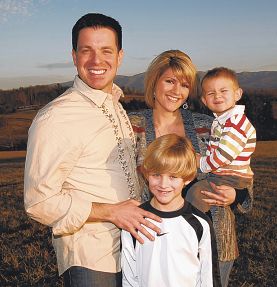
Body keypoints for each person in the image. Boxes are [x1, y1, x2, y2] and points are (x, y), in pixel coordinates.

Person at [23, 13, 161, 287]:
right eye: (86, 51)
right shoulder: (56, 117)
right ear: (74, 56)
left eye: (106, 51)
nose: (97, 61)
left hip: (132, 250)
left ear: (120, 56)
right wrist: (111, 212)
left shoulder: (115, 104)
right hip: (91, 258)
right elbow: (38, 202)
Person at [128, 50, 253, 287]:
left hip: (214, 240)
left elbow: (242, 169)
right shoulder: (132, 126)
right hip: (154, 243)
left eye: (184, 85)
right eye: (169, 81)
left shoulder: (208, 125)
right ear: (154, 82)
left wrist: (236, 195)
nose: (177, 91)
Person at [121, 134, 221, 287]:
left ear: (187, 178)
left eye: (173, 176)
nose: (163, 184)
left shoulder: (200, 224)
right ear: (147, 174)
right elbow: (128, 277)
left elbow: (208, 277)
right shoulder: (134, 221)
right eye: (156, 175)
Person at [185, 67, 256, 212]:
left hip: (231, 178)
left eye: (224, 91)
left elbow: (224, 155)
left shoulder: (235, 123)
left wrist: (202, 162)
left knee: (196, 196)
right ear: (204, 100)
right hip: (226, 175)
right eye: (211, 93)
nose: (217, 96)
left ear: (237, 94)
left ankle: (192, 227)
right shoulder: (223, 121)